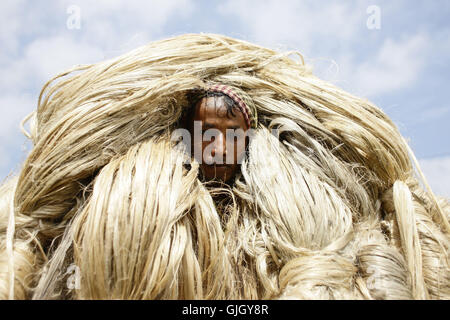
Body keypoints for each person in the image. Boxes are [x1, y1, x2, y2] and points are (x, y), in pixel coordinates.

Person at [0, 33, 448, 300]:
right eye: (206, 135)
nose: (216, 146)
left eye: (229, 135)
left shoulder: (280, 215)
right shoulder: (166, 205)